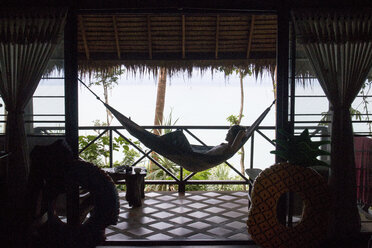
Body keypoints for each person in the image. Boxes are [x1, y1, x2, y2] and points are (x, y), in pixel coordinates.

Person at [159, 125, 247, 155]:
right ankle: (160, 141)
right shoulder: (227, 146)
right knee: (176, 141)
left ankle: (158, 141)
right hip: (196, 154)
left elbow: (241, 133)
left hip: (193, 156)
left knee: (179, 134)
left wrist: (241, 133)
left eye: (229, 132)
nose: (227, 134)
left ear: (234, 136)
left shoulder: (229, 149)